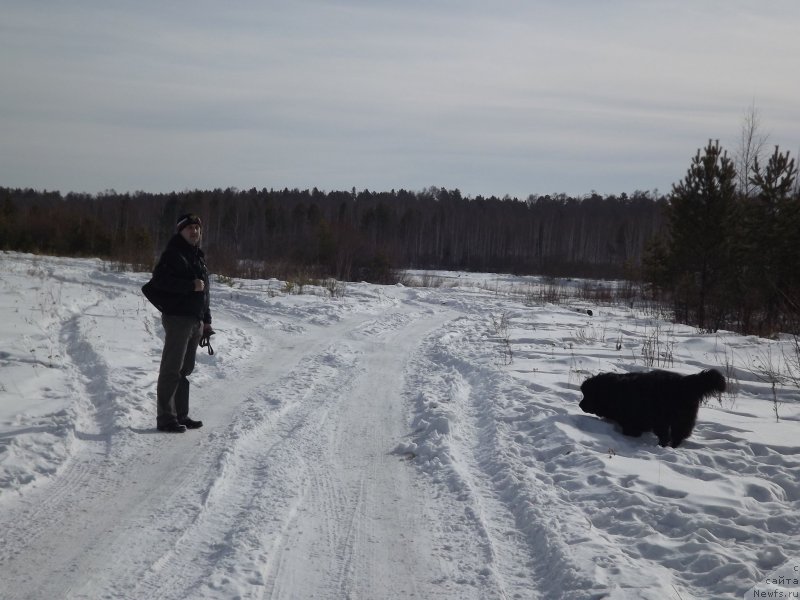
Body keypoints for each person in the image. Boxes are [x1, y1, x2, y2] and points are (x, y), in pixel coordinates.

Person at [144, 213, 212, 433]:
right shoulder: (173, 254)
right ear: (180, 231)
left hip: (195, 320)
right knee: (171, 369)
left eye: (197, 228)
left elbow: (205, 292)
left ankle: (181, 415)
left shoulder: (196, 256)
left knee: (185, 370)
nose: (194, 231)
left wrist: (207, 321)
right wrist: (190, 286)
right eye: (190, 228)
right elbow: (160, 281)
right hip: (177, 319)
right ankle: (165, 418)